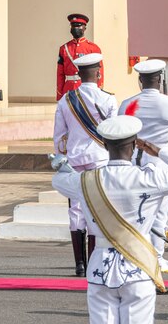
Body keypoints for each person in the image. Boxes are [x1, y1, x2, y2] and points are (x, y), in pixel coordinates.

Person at [51, 115, 168, 324]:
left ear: (105, 144)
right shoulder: (151, 177)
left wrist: (61, 166)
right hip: (138, 266)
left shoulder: (85, 181)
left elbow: (58, 180)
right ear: (135, 145)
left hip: (100, 269)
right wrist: (162, 152)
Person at [119, 60, 168, 290]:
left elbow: (121, 135)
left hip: (135, 166)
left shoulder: (128, 104)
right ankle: (156, 267)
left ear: (140, 80)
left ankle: (138, 265)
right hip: (162, 165)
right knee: (160, 217)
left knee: (137, 217)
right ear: (161, 79)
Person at [53, 53, 117, 276]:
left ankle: (78, 263)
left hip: (74, 160)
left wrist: (63, 156)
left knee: (75, 209)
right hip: (100, 158)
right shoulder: (109, 100)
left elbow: (59, 136)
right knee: (96, 207)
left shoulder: (65, 100)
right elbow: (114, 134)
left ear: (78, 75)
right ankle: (92, 261)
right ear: (99, 73)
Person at [56, 13, 104, 101]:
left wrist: (98, 91)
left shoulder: (93, 48)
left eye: (78, 26)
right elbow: (60, 74)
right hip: (69, 88)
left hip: (86, 88)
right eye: (73, 26)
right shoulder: (64, 48)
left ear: (85, 28)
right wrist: (60, 94)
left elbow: (99, 72)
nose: (75, 28)